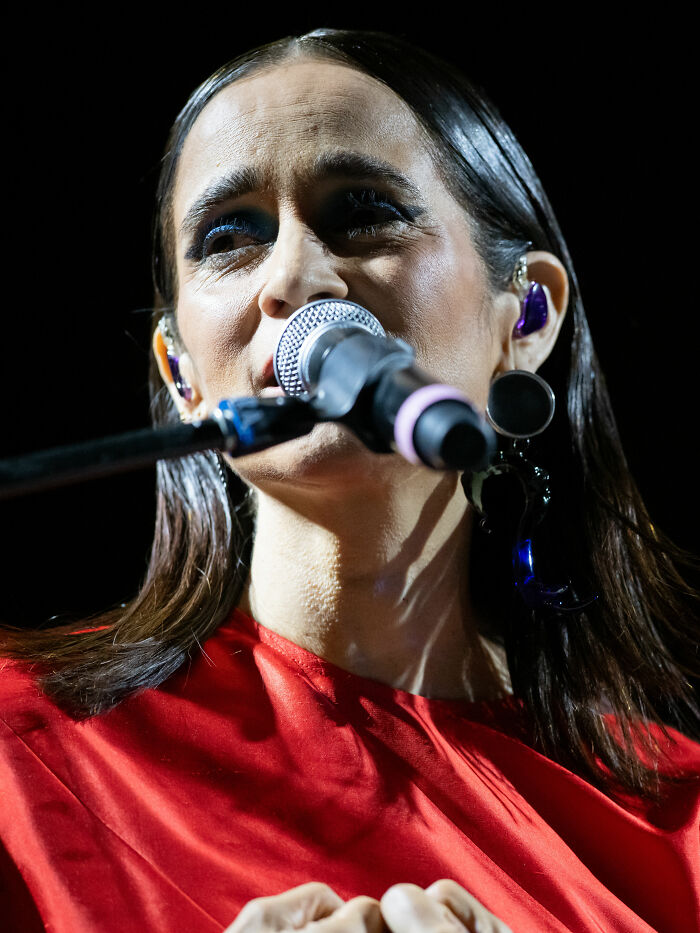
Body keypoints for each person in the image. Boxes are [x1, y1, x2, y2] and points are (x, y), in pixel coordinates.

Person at [1, 27, 698, 933]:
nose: (294, 277)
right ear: (182, 376)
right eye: (228, 236)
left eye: (363, 212)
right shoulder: (19, 749)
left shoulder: (681, 827)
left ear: (525, 316)